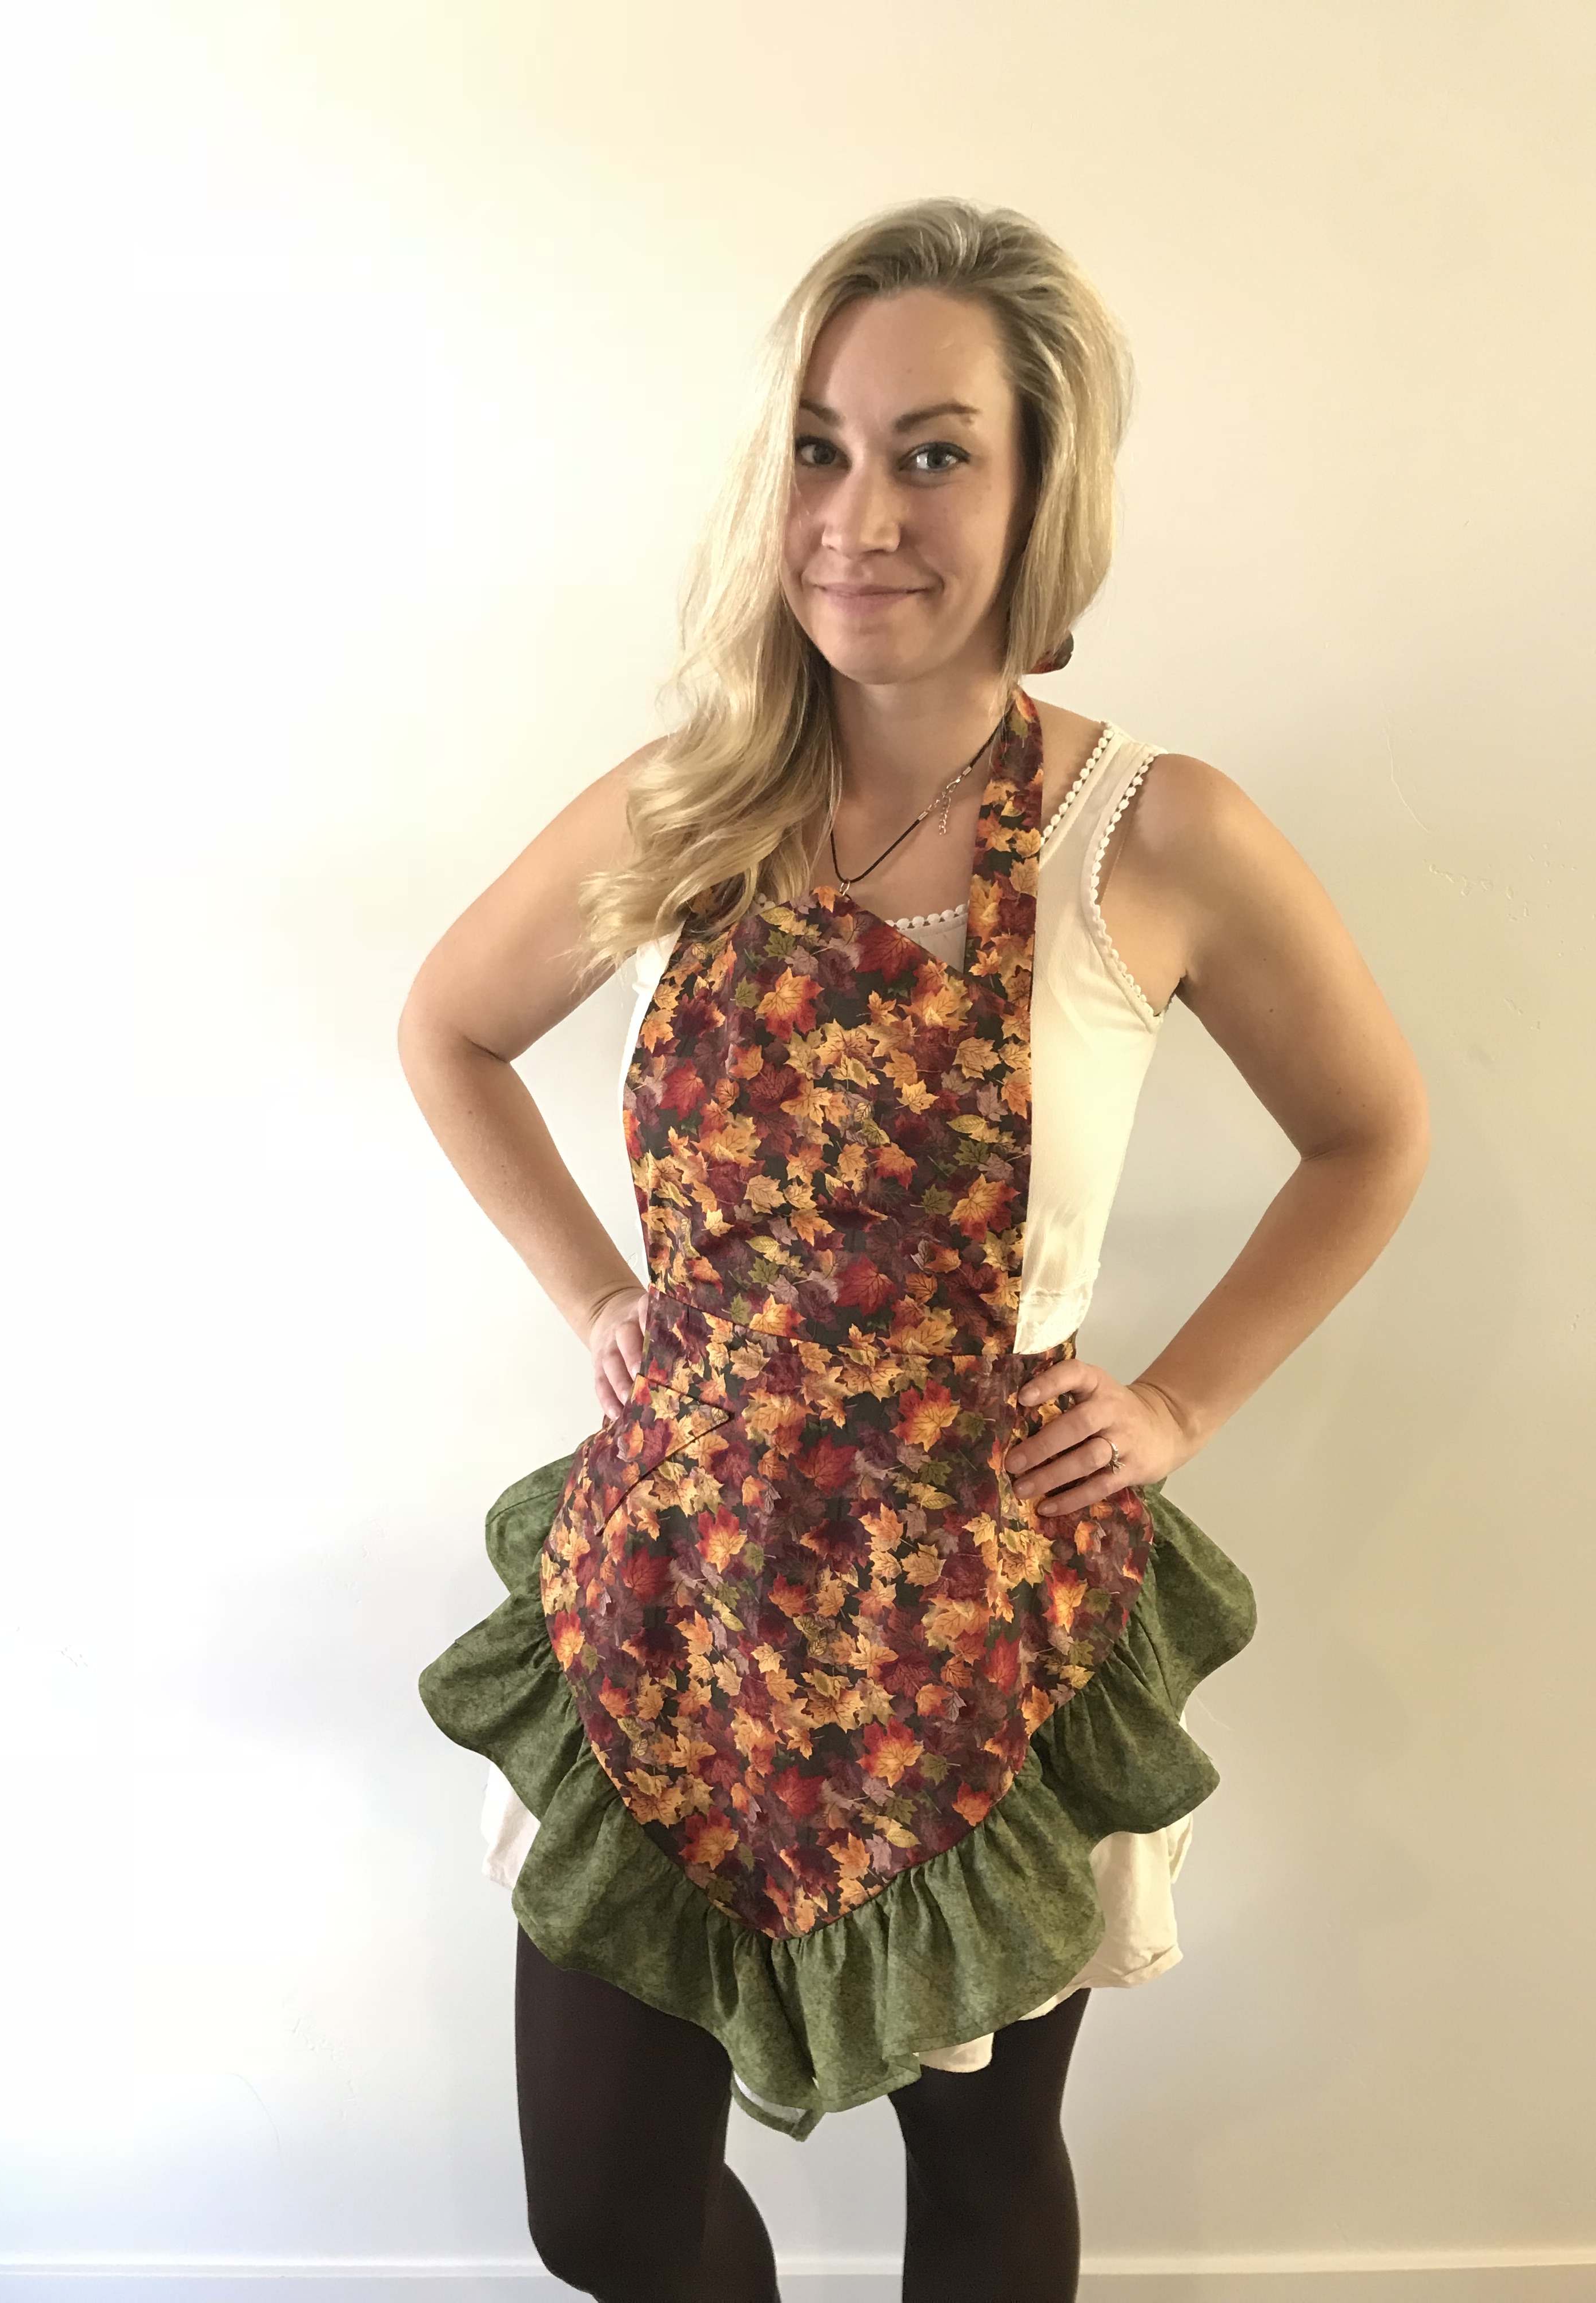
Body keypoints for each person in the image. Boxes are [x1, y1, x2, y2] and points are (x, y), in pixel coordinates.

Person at [397, 198, 1430, 2303]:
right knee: (603, 2210)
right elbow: (451, 1028)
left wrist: (1178, 1404)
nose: (862, 516)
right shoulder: (685, 806)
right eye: (821, 447)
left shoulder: (1156, 834)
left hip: (979, 1618)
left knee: (979, 2173)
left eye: (935, 453)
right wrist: (598, 1297)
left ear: (1042, 492)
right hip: (676, 1593)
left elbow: (1370, 1133)